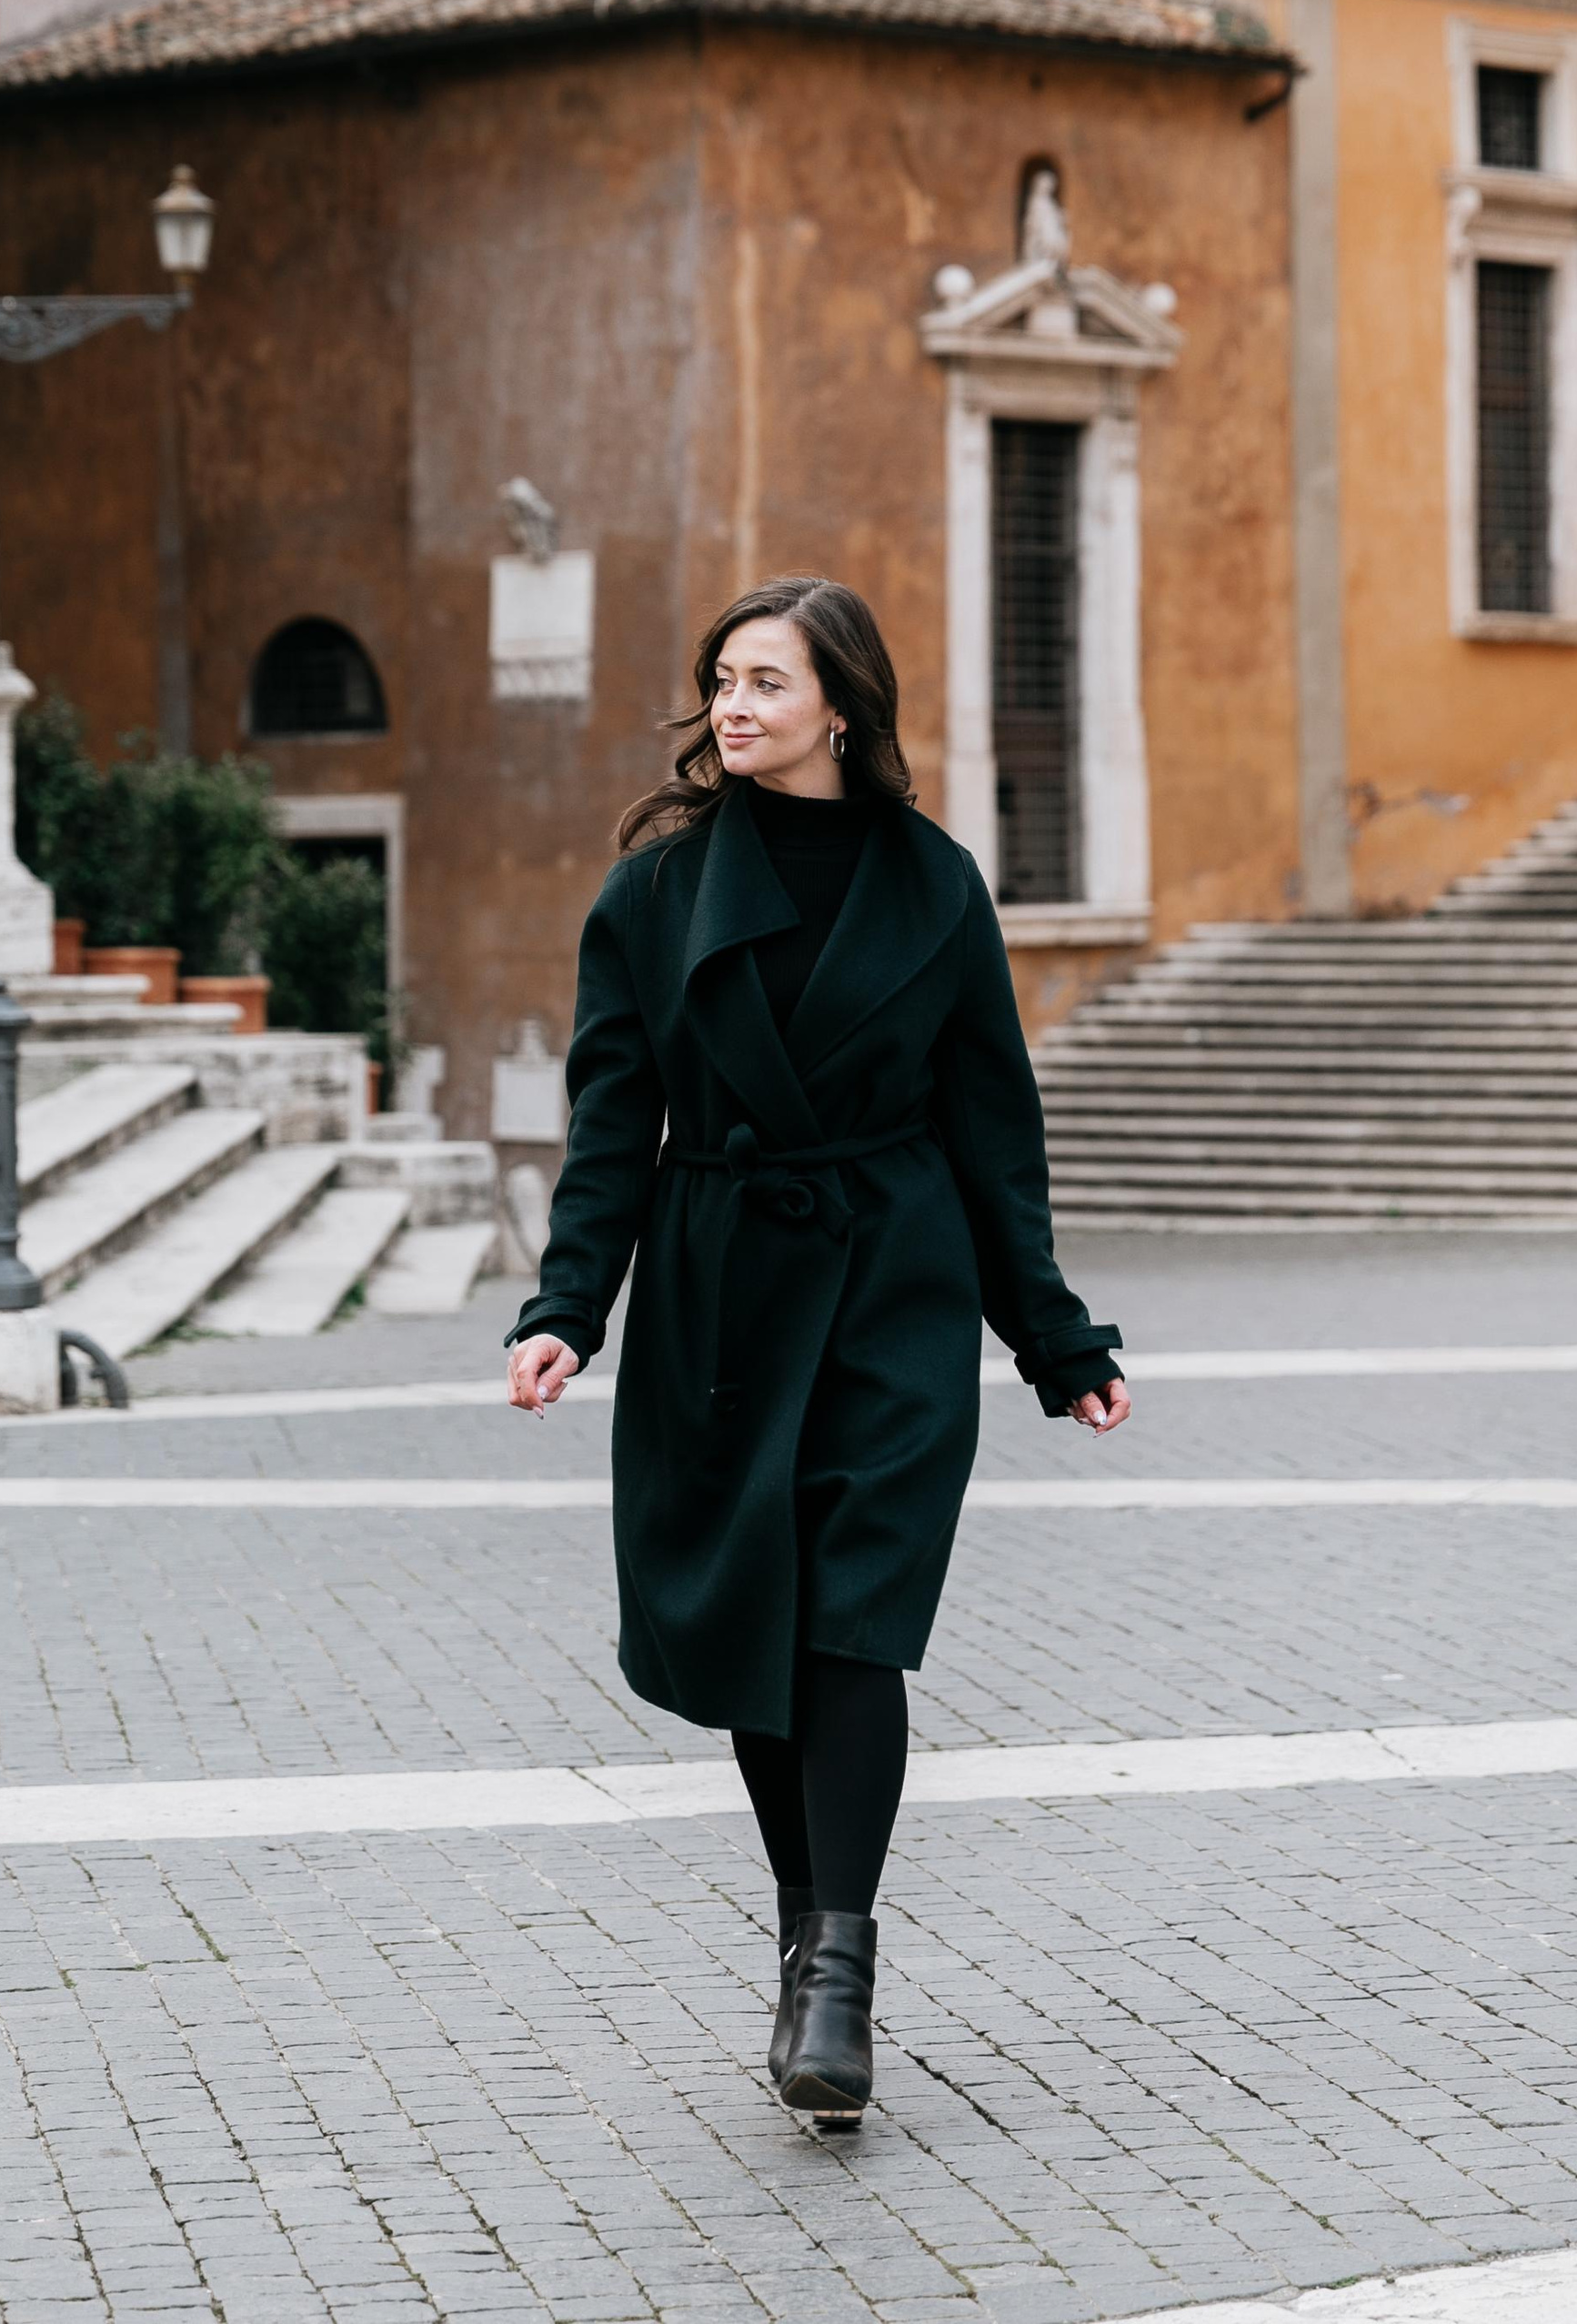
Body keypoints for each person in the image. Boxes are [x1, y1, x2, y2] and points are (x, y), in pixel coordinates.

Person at [507, 574, 1130, 2127]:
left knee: (855, 1616)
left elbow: (997, 1134)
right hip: (718, 1294)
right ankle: (809, 1932)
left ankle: (838, 1966)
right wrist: (565, 1308)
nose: (734, 705)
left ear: (842, 704)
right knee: (755, 1634)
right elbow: (608, 1126)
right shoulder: (652, 899)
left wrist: (1053, 1335)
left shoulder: (936, 886)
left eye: (767, 683)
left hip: (888, 1285)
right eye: (721, 679)